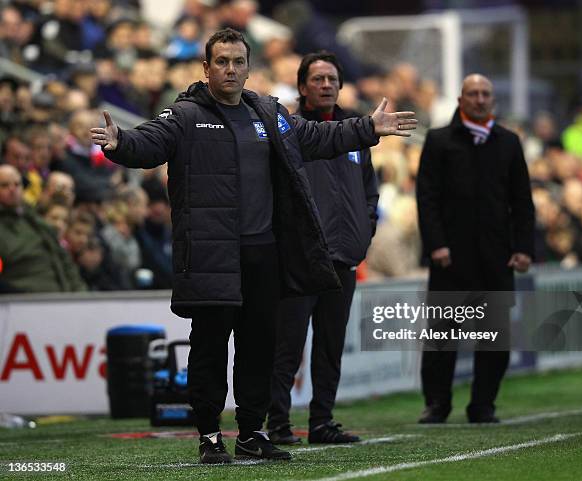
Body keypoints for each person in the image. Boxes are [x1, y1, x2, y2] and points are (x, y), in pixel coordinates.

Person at [90, 28, 416, 464]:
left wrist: (367, 128)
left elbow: (317, 138)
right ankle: (209, 436)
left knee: (259, 347)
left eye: (237, 61)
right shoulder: (186, 115)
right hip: (211, 254)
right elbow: (149, 142)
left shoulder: (269, 113)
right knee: (208, 347)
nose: (230, 69)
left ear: (248, 67)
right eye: (221, 61)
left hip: (264, 253)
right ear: (206, 68)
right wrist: (119, 144)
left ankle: (250, 433)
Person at [267, 52, 379, 445]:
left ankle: (321, 422)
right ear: (302, 87)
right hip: (299, 256)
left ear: (341, 85)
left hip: (343, 257)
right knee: (288, 345)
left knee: (330, 346)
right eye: (317, 79)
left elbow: (369, 189)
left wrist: (366, 227)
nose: (326, 85)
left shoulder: (355, 132)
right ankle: (277, 423)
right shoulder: (287, 130)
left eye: (331, 78)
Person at [416, 74, 534, 423]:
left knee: (494, 338)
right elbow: (427, 198)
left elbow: (522, 202)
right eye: (473, 94)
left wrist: (524, 247)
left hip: (497, 256)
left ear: (492, 100)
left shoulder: (509, 142)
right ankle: (437, 404)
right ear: (460, 99)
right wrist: (436, 244)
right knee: (441, 338)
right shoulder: (439, 141)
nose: (480, 99)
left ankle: (483, 405)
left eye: (486, 94)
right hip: (450, 256)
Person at [0, 164, 86, 294]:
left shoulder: (34, 219)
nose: (12, 189)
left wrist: (82, 296)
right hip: (23, 301)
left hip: (61, 298)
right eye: (5, 185)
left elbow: (65, 261)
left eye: (17, 184)